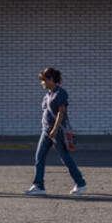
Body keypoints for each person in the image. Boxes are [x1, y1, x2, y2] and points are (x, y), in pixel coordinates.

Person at [26, 66, 87, 196]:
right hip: (46, 130)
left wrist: (54, 129)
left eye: (43, 80)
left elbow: (61, 112)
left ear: (51, 79)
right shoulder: (47, 95)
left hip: (57, 131)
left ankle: (80, 183)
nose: (42, 83)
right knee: (39, 157)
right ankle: (38, 186)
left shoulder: (60, 93)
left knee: (65, 158)